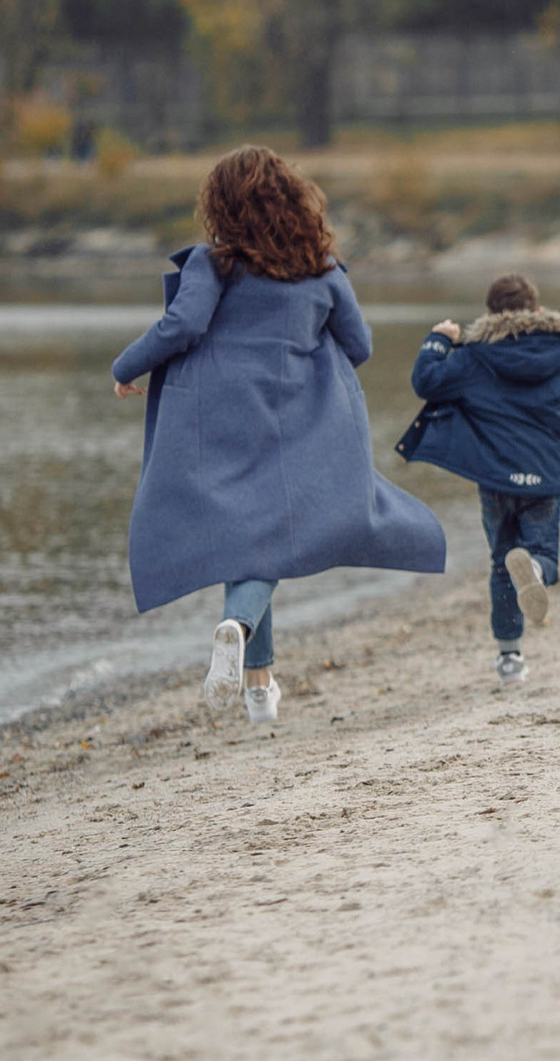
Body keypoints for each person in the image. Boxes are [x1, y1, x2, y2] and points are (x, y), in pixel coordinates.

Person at [111, 146, 446, 723]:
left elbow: (182, 325)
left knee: (251, 537)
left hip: (221, 419)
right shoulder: (323, 271)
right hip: (292, 420)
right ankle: (241, 636)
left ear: (222, 207)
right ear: (294, 202)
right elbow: (360, 346)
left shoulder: (212, 264)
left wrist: (125, 366)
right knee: (273, 536)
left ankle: (258, 688)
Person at [405, 273, 560, 685]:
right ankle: (535, 568)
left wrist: (439, 339)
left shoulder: (473, 358)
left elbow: (426, 381)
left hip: (496, 478)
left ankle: (510, 659)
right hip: (545, 475)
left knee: (501, 565)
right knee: (541, 555)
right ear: (537, 310)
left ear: (490, 314)